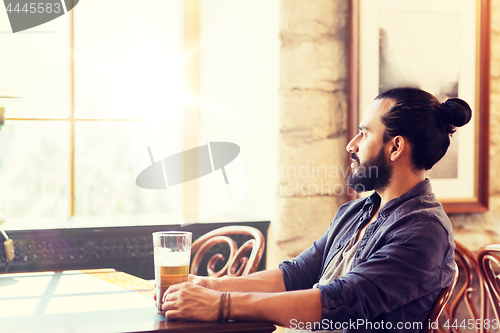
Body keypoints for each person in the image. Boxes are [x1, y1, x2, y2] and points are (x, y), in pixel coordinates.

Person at [154, 87, 471, 332]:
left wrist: (222, 305)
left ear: (395, 147)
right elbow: (296, 276)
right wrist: (212, 285)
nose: (352, 144)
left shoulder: (424, 230)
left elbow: (340, 302)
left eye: (364, 133)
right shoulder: (355, 212)